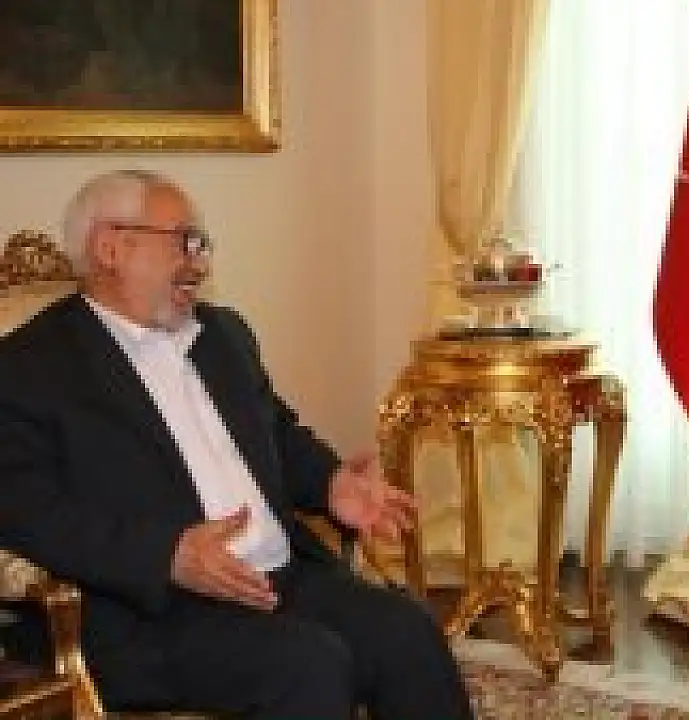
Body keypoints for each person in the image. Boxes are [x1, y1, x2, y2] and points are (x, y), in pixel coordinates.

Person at [0, 170, 474, 719]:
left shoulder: (223, 334)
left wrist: (330, 484)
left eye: (201, 244)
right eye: (184, 241)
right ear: (111, 248)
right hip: (148, 610)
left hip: (279, 575)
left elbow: (278, 432)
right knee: (309, 664)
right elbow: (27, 512)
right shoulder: (29, 367)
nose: (199, 263)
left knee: (406, 631)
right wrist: (167, 555)